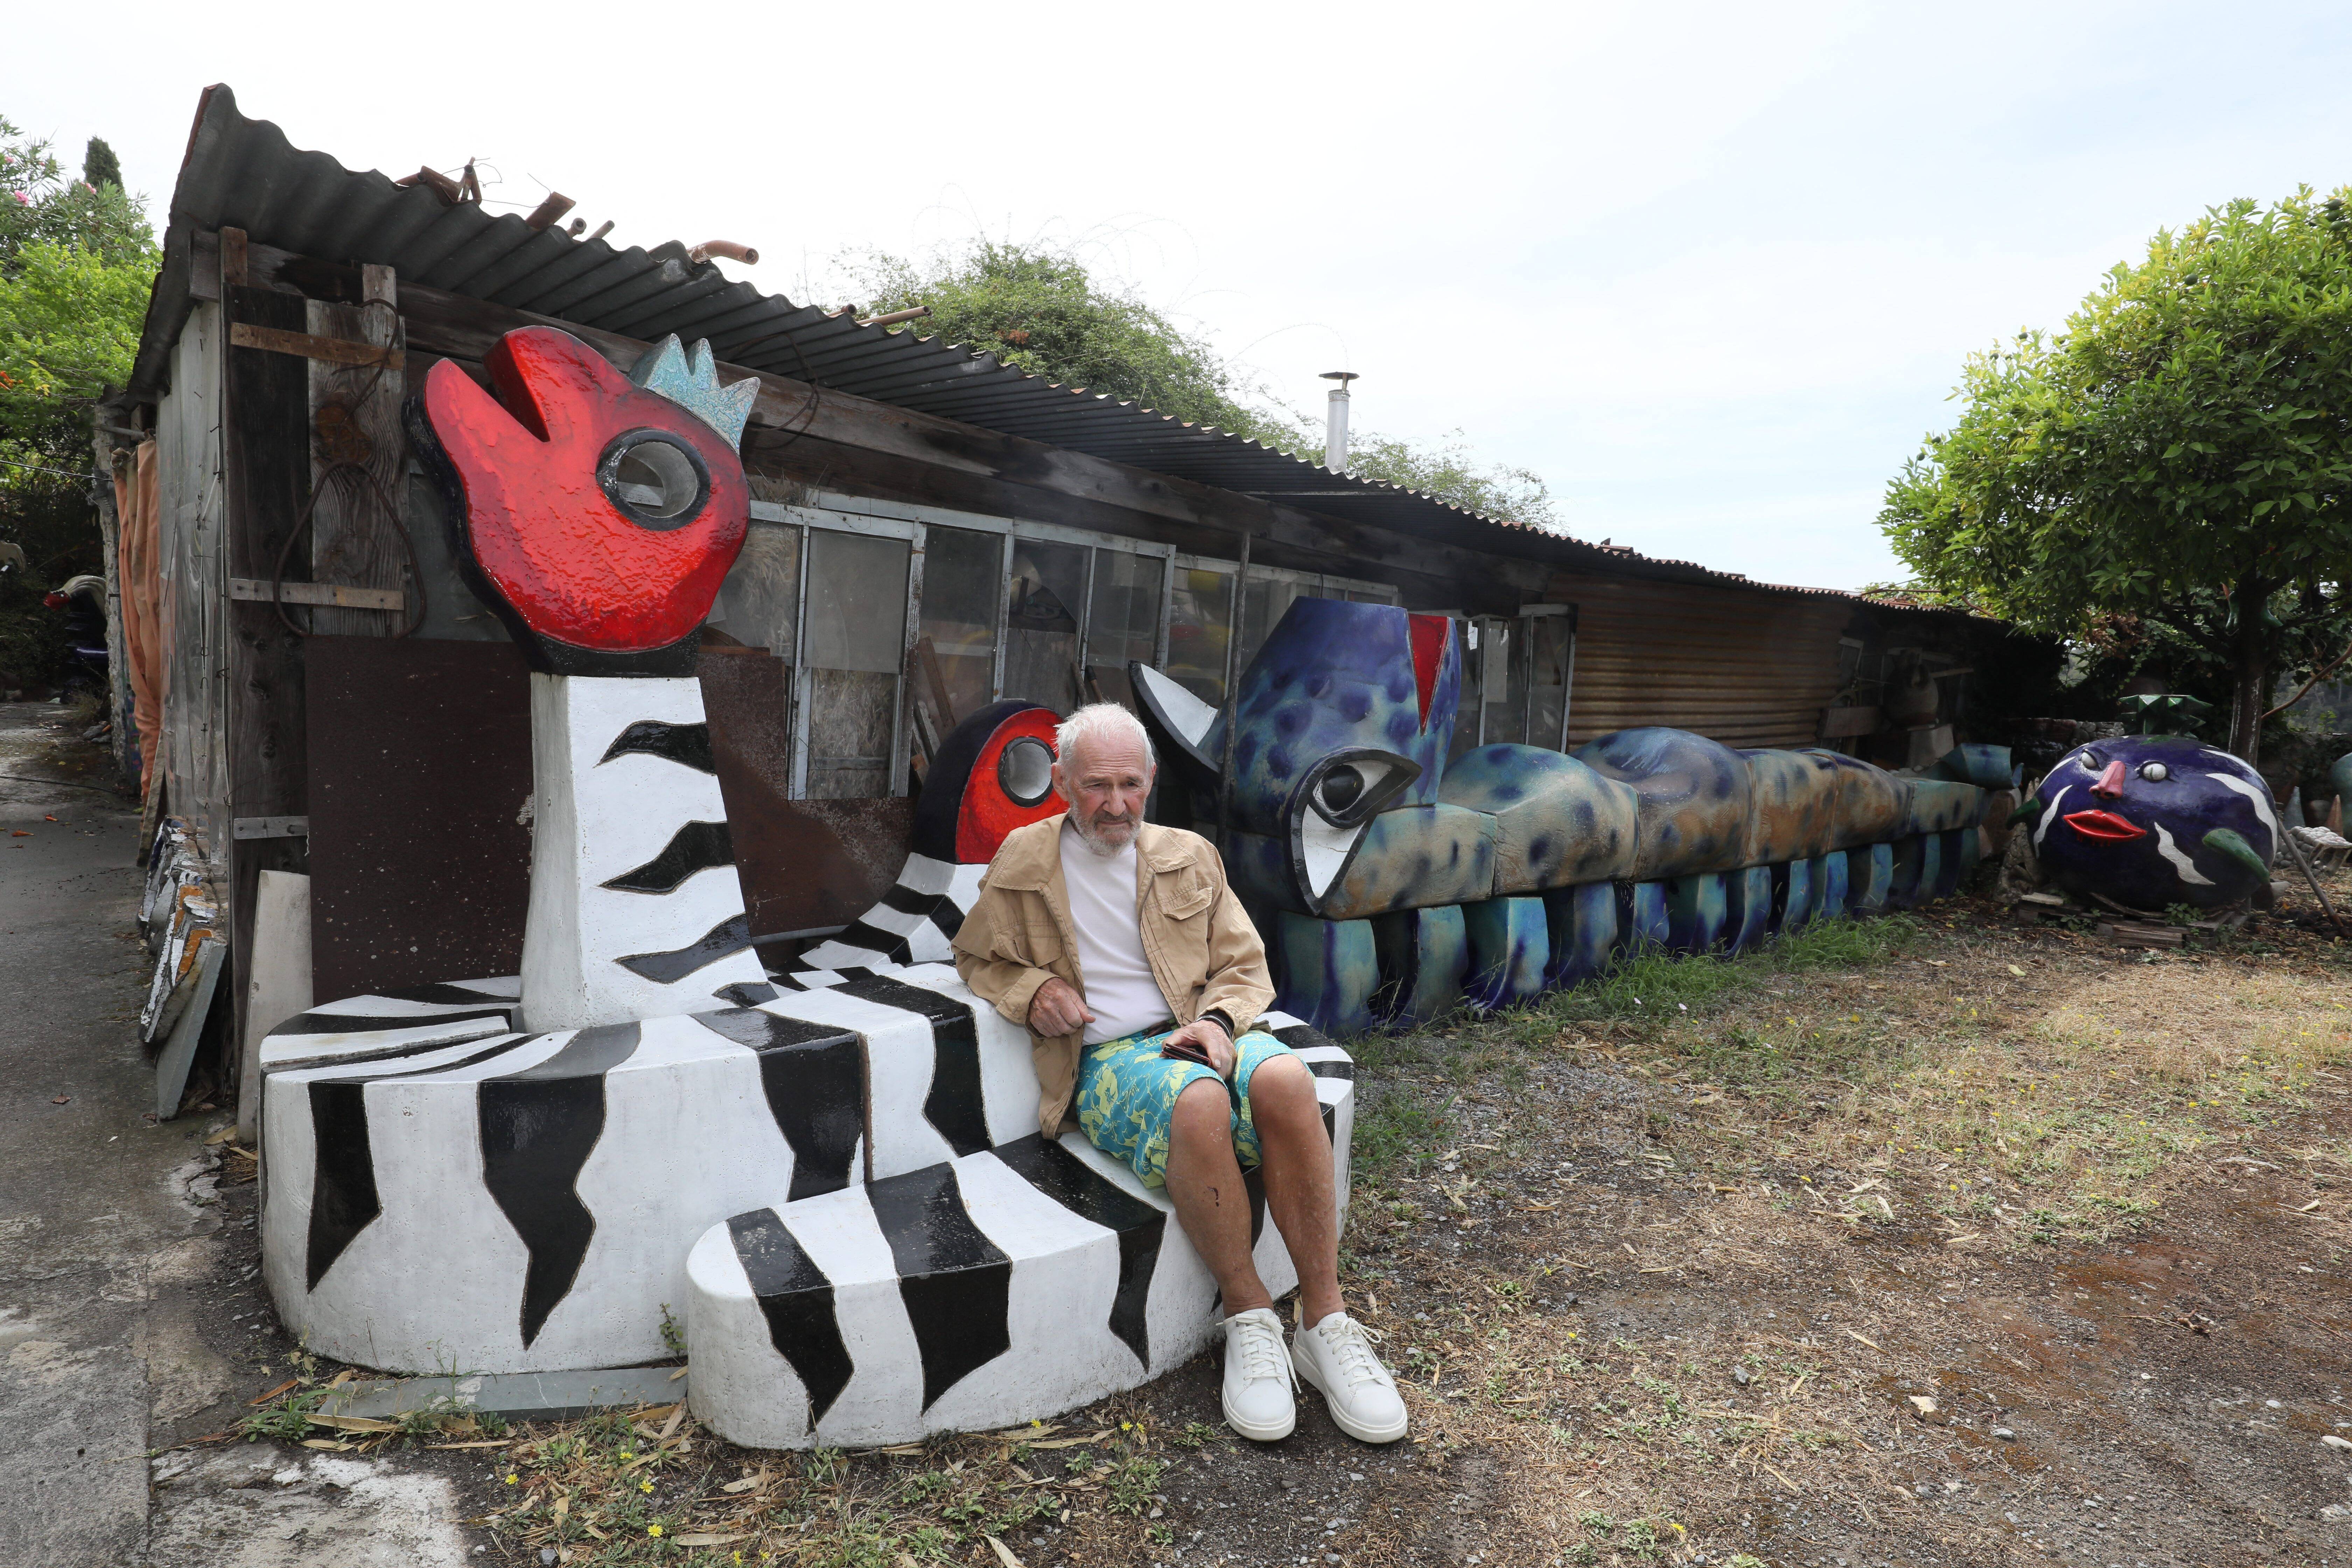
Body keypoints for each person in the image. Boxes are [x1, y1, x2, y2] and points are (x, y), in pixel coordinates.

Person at [952, 703, 1407, 1444]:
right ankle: (1250, 1317)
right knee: (1196, 1100)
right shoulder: (1023, 860)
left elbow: (1243, 964)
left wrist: (1221, 1024)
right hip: (1108, 1057)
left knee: (1286, 1080)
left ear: (1152, 779)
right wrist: (1033, 990)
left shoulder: (1190, 855)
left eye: (1130, 784)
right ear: (1062, 782)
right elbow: (977, 957)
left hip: (1200, 1027)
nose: (1116, 804)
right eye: (1096, 785)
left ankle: (1326, 1323)